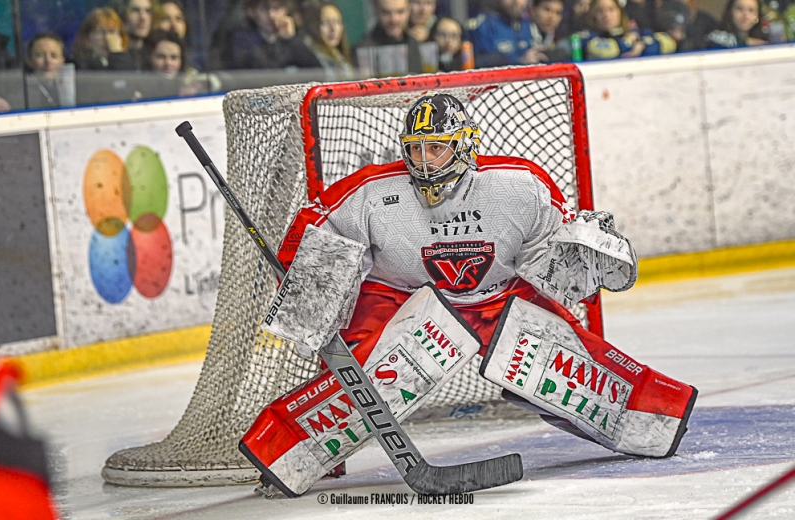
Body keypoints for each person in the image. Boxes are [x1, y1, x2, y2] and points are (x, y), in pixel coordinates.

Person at [246, 92, 697, 496]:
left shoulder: (518, 187)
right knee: (374, 371)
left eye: (436, 147)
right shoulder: (374, 192)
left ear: (463, 146)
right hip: (398, 294)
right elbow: (315, 226)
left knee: (558, 357)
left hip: (497, 295)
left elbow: (552, 250)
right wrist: (309, 280)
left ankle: (652, 416)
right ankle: (284, 447)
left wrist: (579, 255)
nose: (424, 161)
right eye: (415, 149)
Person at [225, 0, 321, 70]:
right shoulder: (241, 40)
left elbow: (316, 70)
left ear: (285, 10)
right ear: (252, 12)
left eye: (276, 8)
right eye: (264, 9)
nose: (271, 15)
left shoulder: (291, 41)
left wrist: (291, 39)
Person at [577, 0, 677, 59]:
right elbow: (601, 51)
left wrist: (642, 45)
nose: (606, 15)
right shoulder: (587, 36)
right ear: (593, 15)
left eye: (611, 9)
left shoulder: (635, 32)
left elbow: (669, 43)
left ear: (620, 12)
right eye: (600, 11)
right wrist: (629, 43)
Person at [352, 0, 424, 75]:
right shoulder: (362, 50)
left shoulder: (413, 44)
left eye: (400, 12)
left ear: (409, 10)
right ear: (375, 11)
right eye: (386, 13)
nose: (394, 19)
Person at [467, 0, 543, 66]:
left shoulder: (530, 26)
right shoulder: (483, 25)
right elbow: (473, 63)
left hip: (530, 81)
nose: (516, 1)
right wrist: (519, 61)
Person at [301, 0, 354, 80]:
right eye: (325, 22)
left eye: (337, 21)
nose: (333, 28)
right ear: (313, 26)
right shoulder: (307, 60)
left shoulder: (340, 58)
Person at [25, 32, 67, 108]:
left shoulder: (71, 89)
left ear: (62, 62)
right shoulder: (20, 92)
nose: (48, 61)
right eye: (40, 55)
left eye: (54, 56)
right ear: (29, 61)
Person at [116, 0, 159, 70]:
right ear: (122, 15)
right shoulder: (112, 53)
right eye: (135, 10)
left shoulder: (156, 54)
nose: (143, 18)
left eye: (148, 11)